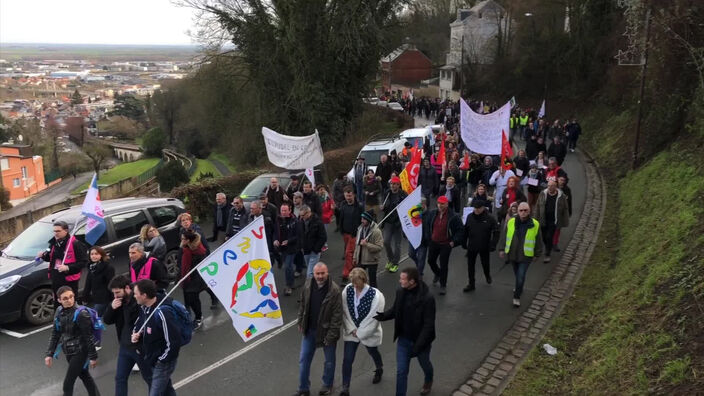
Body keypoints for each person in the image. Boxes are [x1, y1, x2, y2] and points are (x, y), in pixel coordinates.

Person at [374, 267, 435, 396]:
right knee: (401, 372)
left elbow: (428, 326)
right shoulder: (400, 291)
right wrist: (382, 316)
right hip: (404, 340)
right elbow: (396, 310)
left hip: (421, 342)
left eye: (402, 279)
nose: (400, 281)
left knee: (425, 365)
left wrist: (417, 347)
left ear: (412, 281)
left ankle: (428, 380)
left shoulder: (427, 298)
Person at [293, 263, 342, 396]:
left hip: (327, 333)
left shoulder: (334, 290)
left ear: (327, 273)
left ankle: (327, 385)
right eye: (317, 274)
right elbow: (303, 304)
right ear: (313, 274)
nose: (320, 276)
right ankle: (303, 388)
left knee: (329, 362)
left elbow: (337, 317)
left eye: (323, 273)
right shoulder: (308, 284)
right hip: (309, 330)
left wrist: (331, 336)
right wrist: (300, 321)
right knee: (304, 360)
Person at [45, 286, 99, 396]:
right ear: (59, 300)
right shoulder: (59, 311)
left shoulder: (81, 314)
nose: (69, 300)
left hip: (80, 351)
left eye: (71, 297)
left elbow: (88, 337)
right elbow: (55, 333)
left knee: (67, 384)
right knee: (84, 375)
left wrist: (93, 356)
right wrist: (49, 354)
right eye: (65, 298)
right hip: (68, 350)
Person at [104, 275, 153, 396]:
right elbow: (107, 320)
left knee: (150, 379)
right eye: (113, 293)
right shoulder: (119, 302)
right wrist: (111, 308)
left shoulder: (138, 301)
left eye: (117, 292)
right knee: (120, 378)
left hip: (139, 348)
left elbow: (142, 320)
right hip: (124, 347)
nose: (115, 296)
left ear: (127, 288)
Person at [131, 279, 181, 396]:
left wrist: (162, 360)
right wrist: (137, 333)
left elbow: (174, 340)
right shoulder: (144, 308)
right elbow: (139, 324)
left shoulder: (163, 313)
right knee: (167, 390)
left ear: (144, 295)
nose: (134, 296)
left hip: (162, 361)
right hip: (152, 357)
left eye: (135, 294)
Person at [340, 268, 385, 396]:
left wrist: (360, 332)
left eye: (356, 283)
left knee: (373, 351)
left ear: (363, 280)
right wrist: (351, 329)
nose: (354, 286)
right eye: (352, 283)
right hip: (352, 331)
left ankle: (379, 367)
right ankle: (345, 388)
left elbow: (374, 317)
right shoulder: (348, 289)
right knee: (347, 359)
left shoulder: (376, 295)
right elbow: (344, 311)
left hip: (367, 332)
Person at [498, 202, 544, 307]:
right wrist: (501, 249)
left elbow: (538, 240)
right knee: (517, 274)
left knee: (520, 276)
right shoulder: (511, 222)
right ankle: (519, 287)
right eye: (521, 210)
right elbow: (504, 236)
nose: (523, 213)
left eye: (525, 210)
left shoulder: (535, 224)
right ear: (518, 211)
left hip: (526, 255)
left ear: (529, 211)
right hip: (513, 254)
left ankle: (516, 296)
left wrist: (538, 253)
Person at [37, 220, 88, 306]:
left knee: (70, 303)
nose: (55, 233)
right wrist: (43, 256)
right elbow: (51, 258)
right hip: (56, 278)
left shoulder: (75, 244)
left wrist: (68, 267)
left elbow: (83, 262)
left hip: (69, 280)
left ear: (66, 231)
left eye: (58, 231)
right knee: (58, 302)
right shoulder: (54, 243)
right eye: (54, 231)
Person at [425, 196, 464, 295]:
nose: (440, 205)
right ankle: (438, 274)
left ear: (447, 204)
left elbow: (460, 230)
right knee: (430, 260)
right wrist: (429, 238)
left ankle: (443, 285)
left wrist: (454, 241)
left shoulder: (453, 216)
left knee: (444, 264)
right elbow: (427, 225)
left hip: (445, 244)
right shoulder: (433, 213)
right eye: (439, 203)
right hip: (434, 242)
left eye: (442, 204)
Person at [462, 200, 499, 292]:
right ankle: (471, 283)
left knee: (485, 263)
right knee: (470, 266)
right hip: (472, 245)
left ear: (483, 208)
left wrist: (493, 244)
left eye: (478, 208)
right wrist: (463, 242)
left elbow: (496, 231)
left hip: (484, 246)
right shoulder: (470, 217)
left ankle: (487, 275)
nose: (476, 210)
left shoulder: (490, 218)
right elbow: (466, 230)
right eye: (475, 208)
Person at [534, 180, 570, 263]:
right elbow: (538, 206)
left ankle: (547, 254)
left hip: (554, 221)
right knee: (544, 237)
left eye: (552, 186)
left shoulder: (561, 196)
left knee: (549, 236)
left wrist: (565, 220)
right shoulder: (543, 194)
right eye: (549, 185)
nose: (550, 187)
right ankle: (548, 246)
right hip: (544, 219)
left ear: (555, 186)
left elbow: (565, 209)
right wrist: (535, 218)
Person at [179, 230, 207, 330]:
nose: (181, 240)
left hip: (195, 279)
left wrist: (186, 276)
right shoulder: (185, 248)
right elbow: (182, 263)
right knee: (190, 299)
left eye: (183, 239)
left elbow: (196, 265)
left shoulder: (197, 251)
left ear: (189, 240)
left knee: (193, 299)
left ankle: (199, 318)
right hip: (187, 278)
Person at [381, 177, 407, 273]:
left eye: (395, 184)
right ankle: (390, 259)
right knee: (386, 242)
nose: (393, 186)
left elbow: (407, 207)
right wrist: (382, 207)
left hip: (398, 223)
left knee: (397, 244)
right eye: (391, 184)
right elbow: (385, 206)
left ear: (398, 185)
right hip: (388, 221)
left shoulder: (403, 194)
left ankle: (395, 263)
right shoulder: (387, 193)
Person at [275, 202, 301, 296]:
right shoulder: (278, 220)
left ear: (290, 210)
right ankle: (292, 280)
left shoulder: (295, 221)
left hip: (291, 247)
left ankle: (288, 286)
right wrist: (275, 240)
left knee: (287, 266)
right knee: (289, 266)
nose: (283, 212)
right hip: (282, 248)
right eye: (282, 210)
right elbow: (275, 232)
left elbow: (298, 235)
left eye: (285, 210)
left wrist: (288, 241)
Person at [338, 187, 364, 284]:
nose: (348, 197)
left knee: (348, 254)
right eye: (346, 195)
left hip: (354, 234)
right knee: (350, 253)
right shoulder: (343, 205)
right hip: (345, 233)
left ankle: (346, 274)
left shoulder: (359, 206)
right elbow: (341, 217)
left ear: (353, 195)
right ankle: (356, 269)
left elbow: (363, 220)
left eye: (350, 195)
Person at [81, 246, 115, 318]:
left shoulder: (108, 268)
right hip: (96, 298)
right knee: (97, 320)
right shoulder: (91, 268)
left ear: (101, 255)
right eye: (92, 254)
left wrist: (113, 298)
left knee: (93, 318)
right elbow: (88, 284)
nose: (94, 256)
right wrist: (84, 297)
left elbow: (112, 284)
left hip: (105, 298)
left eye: (96, 254)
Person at [352, 211, 384, 288]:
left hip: (372, 260)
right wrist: (355, 256)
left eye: (364, 219)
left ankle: (375, 296)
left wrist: (367, 244)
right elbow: (357, 244)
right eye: (361, 218)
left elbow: (379, 247)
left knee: (372, 281)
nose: (362, 221)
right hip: (360, 258)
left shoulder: (376, 231)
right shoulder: (360, 228)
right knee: (358, 279)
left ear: (369, 220)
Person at [300, 205, 327, 278]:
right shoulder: (301, 221)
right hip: (305, 250)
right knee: (312, 270)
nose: (301, 217)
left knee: (310, 273)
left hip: (314, 251)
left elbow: (323, 237)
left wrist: (316, 249)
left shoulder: (318, 222)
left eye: (303, 215)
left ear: (308, 213)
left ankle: (309, 288)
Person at [408, 197, 429, 277]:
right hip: (413, 239)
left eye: (421, 204)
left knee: (421, 258)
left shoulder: (428, 214)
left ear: (424, 204)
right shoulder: (414, 213)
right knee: (411, 254)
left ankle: (419, 274)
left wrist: (428, 239)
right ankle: (418, 265)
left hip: (423, 240)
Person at [316, 184, 335, 251]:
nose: (322, 191)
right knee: (318, 232)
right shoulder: (316, 198)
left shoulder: (328, 198)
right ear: (317, 191)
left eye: (323, 189)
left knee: (324, 232)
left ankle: (324, 244)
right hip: (318, 219)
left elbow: (332, 208)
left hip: (326, 219)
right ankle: (320, 244)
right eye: (320, 190)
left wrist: (329, 215)